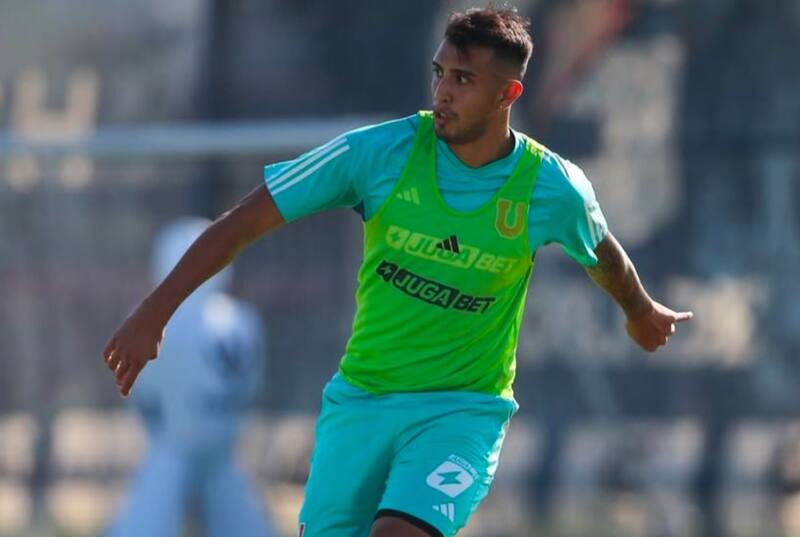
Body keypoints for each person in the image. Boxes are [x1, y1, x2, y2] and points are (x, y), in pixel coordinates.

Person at [103, 8, 692, 537]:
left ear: (508, 93)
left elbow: (602, 248)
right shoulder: (377, 154)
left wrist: (639, 310)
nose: (443, 92)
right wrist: (153, 315)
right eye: (440, 74)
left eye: (464, 80)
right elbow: (242, 223)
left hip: (461, 412)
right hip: (361, 406)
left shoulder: (550, 187)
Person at [105, 218, 278, 537]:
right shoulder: (245, 320)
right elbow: (252, 384)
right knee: (241, 522)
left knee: (146, 520)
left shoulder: (157, 321)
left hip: (174, 439)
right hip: (224, 439)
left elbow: (139, 386)